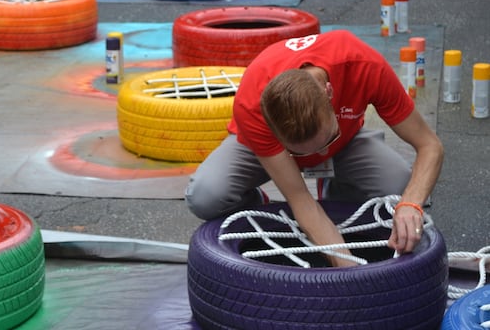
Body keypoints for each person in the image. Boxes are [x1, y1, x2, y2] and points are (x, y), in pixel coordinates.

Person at [185, 30, 443, 268]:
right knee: (205, 195)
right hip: (270, 153)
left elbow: (430, 145)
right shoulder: (251, 102)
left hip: (347, 143)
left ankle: (338, 190)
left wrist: (411, 204)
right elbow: (301, 200)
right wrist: (350, 271)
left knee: (398, 187)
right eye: (301, 151)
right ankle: (259, 204)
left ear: (330, 93)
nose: (314, 157)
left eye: (325, 139)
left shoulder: (363, 65)